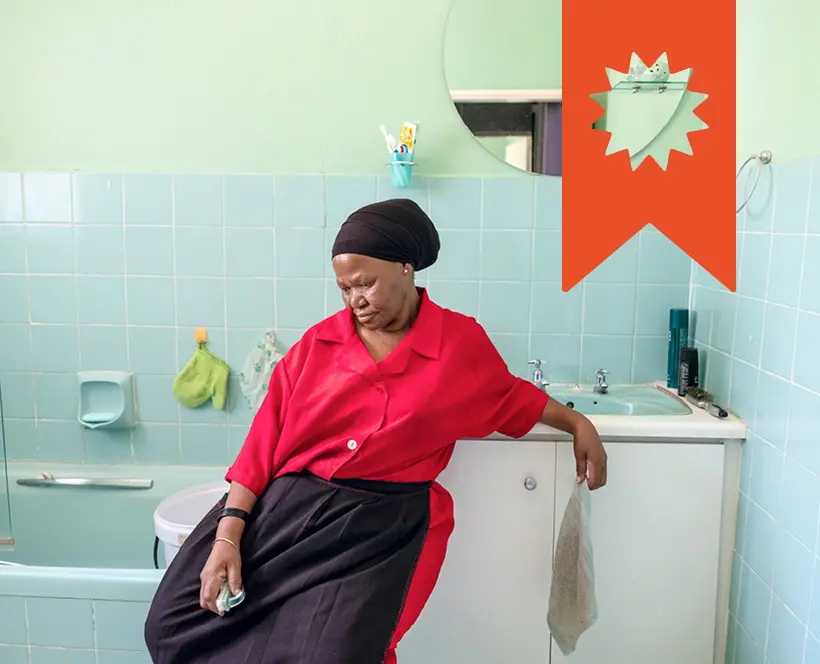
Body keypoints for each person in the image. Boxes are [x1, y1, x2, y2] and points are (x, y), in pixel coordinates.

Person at [144, 198, 607, 664]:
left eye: (365, 283)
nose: (354, 300)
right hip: (290, 511)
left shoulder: (459, 344)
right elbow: (261, 446)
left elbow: (508, 397)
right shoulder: (316, 345)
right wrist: (230, 532)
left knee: (341, 653)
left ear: (407, 268)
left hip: (382, 528)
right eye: (344, 288)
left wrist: (575, 422)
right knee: (171, 624)